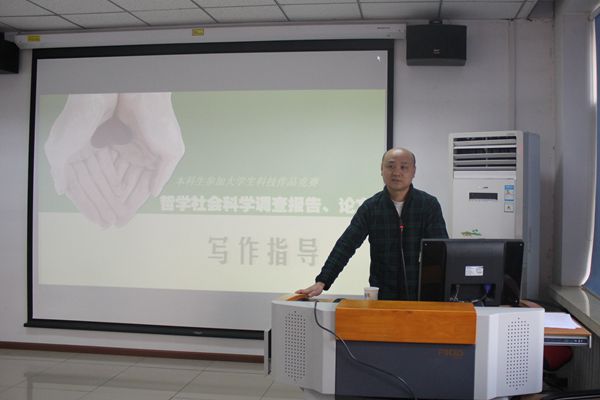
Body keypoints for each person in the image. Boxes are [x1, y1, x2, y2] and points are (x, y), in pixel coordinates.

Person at [296, 147, 448, 300]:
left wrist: (447, 291)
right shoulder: (371, 207)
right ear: (381, 169)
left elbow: (443, 251)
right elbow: (346, 245)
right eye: (390, 166)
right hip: (382, 296)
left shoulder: (428, 205)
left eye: (403, 167)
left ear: (413, 171)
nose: (396, 172)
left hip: (421, 296)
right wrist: (322, 281)